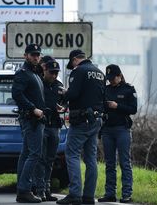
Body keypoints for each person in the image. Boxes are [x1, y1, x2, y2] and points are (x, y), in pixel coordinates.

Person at [57, 49, 105, 205]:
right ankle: (89, 196)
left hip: (81, 121)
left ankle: (75, 194)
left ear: (75, 59)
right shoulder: (99, 72)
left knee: (71, 155)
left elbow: (74, 94)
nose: (73, 65)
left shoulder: (78, 71)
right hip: (96, 120)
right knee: (91, 158)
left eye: (72, 63)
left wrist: (65, 93)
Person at [12, 44, 46, 203]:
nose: (36, 57)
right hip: (31, 120)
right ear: (25, 56)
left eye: (38, 55)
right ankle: (25, 190)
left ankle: (22, 190)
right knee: (34, 154)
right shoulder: (23, 73)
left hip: (36, 119)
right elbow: (16, 94)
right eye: (33, 55)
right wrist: (33, 109)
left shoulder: (35, 73)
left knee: (26, 154)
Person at [98, 64, 137, 204]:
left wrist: (117, 106)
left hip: (122, 129)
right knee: (109, 163)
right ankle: (110, 193)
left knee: (125, 162)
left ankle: (126, 194)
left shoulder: (128, 90)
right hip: (108, 129)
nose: (111, 81)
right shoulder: (106, 89)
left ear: (119, 76)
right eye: (109, 78)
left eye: (113, 78)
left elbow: (133, 109)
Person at [34, 59, 65, 202]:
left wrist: (63, 107)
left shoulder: (59, 86)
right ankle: (40, 190)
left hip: (54, 126)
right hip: (41, 125)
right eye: (51, 72)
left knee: (50, 159)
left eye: (56, 73)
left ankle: (47, 190)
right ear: (44, 70)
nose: (54, 75)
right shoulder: (38, 84)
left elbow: (65, 102)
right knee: (40, 159)